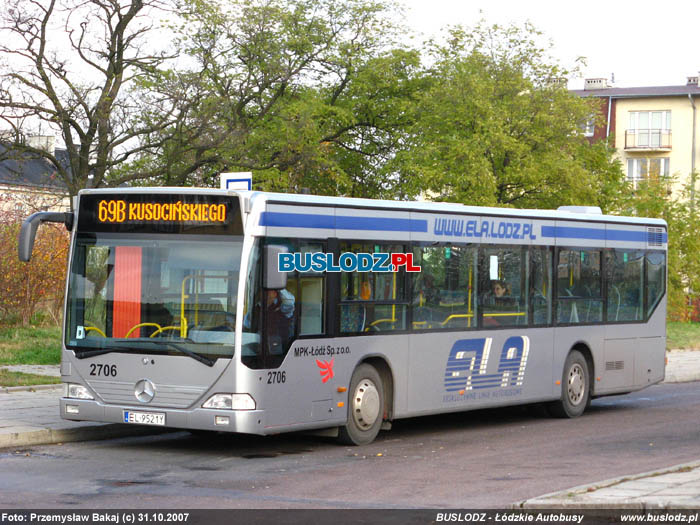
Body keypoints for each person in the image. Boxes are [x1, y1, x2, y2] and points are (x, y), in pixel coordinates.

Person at [264, 289, 295, 356]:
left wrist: (279, 287)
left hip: (280, 345)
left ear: (276, 294)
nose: (268, 294)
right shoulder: (258, 307)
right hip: (261, 343)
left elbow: (289, 301)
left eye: (271, 292)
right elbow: (247, 325)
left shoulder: (284, 308)